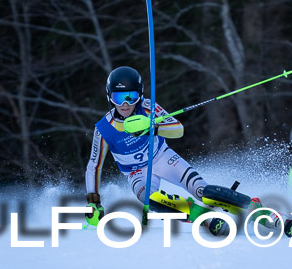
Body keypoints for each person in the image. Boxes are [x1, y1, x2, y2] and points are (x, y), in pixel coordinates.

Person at [85, 66, 209, 226]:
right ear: (110, 97)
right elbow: (94, 166)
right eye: (118, 97)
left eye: (131, 97)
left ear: (140, 95)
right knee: (149, 200)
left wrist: (152, 129)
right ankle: (198, 215)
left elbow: (178, 129)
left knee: (201, 191)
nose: (124, 104)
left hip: (162, 158)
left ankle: (247, 206)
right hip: (136, 172)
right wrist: (93, 200)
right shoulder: (103, 128)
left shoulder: (147, 107)